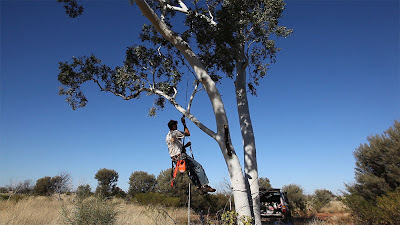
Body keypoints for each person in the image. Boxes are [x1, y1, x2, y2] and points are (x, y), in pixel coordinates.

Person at [166, 116, 216, 193]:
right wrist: (184, 124)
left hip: (175, 159)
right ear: (173, 126)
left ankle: (199, 188)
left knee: (191, 171)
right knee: (198, 167)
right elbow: (188, 133)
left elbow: (175, 148)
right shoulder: (175, 132)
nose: (176, 126)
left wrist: (185, 146)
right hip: (181, 156)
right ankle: (205, 186)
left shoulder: (168, 136)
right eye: (176, 125)